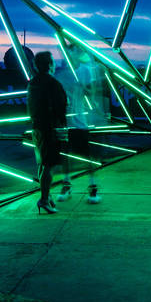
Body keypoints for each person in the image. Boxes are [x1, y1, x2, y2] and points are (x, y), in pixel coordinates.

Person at [56, 46, 105, 204]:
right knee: (64, 156)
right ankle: (66, 185)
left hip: (80, 121)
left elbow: (93, 92)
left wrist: (84, 87)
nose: (70, 55)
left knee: (86, 156)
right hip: (64, 121)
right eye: (68, 53)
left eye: (74, 52)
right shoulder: (60, 73)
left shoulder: (84, 71)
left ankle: (92, 188)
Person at [28, 51, 67, 214]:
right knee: (49, 166)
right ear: (49, 64)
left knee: (42, 164)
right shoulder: (52, 83)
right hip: (49, 129)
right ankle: (44, 199)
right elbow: (62, 105)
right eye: (52, 62)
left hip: (36, 128)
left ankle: (47, 195)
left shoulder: (32, 83)